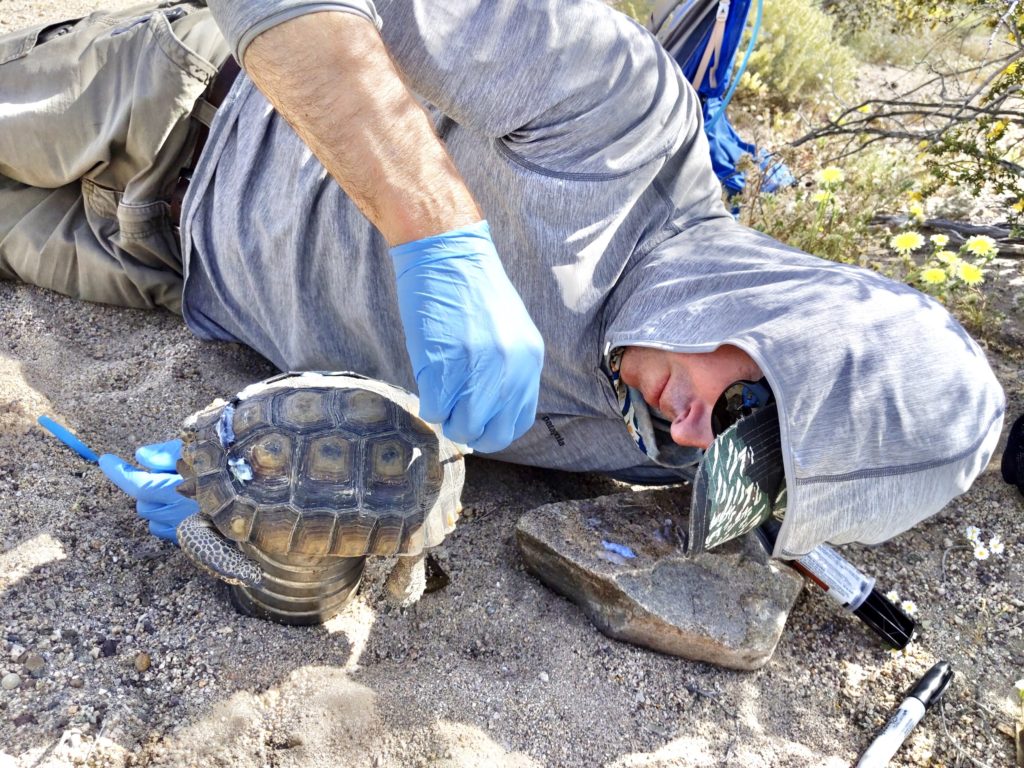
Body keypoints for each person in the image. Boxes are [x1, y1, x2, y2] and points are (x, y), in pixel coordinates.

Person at [0, 0, 1005, 560]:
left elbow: (400, 478)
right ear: (789, 311)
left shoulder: (658, 449)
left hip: (159, 273)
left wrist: (253, 495)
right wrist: (434, 231)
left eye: (748, 472)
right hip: (176, 107)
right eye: (748, 408)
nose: (697, 440)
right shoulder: (622, 123)